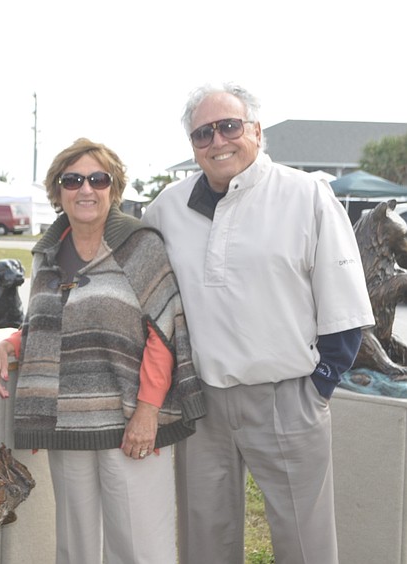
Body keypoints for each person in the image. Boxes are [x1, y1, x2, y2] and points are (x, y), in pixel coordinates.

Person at [142, 83, 375, 564]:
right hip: (203, 402)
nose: (217, 141)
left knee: (304, 543)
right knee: (205, 540)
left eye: (229, 126)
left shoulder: (306, 194)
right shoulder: (167, 207)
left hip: (288, 397)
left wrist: (318, 389)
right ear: (192, 145)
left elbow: (345, 307)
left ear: (256, 130)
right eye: (202, 133)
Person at [0, 137, 205, 564]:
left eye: (97, 179)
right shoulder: (47, 255)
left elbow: (164, 330)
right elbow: (43, 325)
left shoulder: (140, 245)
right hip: (68, 420)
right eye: (73, 180)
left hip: (132, 422)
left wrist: (147, 410)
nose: (86, 189)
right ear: (58, 191)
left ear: (113, 188)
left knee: (140, 545)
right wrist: (8, 346)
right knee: (76, 544)